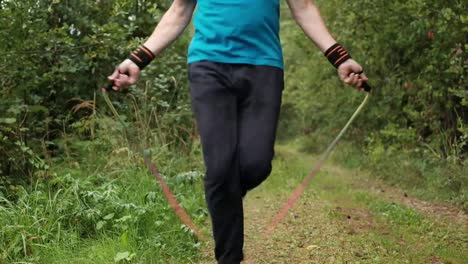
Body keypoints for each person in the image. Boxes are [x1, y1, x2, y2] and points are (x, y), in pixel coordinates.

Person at [108, 0, 368, 263]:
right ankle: (229, 257)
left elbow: (303, 8)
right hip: (208, 66)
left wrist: (339, 57)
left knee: (256, 164)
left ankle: (224, 194)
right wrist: (138, 59)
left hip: (264, 67)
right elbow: (179, 12)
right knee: (220, 169)